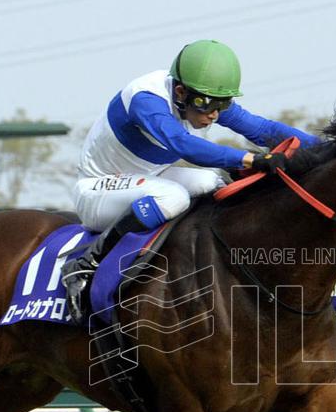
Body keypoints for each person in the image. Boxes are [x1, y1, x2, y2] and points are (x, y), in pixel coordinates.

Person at [61, 39, 321, 323]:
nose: (213, 114)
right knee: (173, 198)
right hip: (97, 189)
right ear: (181, 91)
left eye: (222, 105)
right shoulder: (146, 100)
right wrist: (250, 159)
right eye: (206, 104)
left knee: (213, 183)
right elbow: (183, 144)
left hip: (148, 178)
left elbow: (263, 129)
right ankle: (87, 263)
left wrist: (328, 148)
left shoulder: (200, 95)